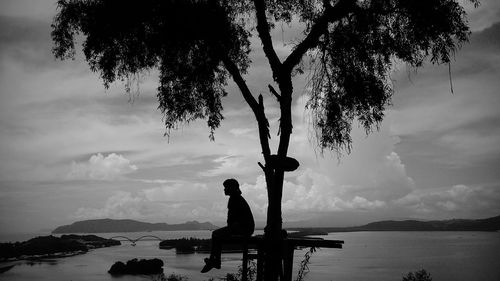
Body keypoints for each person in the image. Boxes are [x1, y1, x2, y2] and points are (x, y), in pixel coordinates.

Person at [201, 178, 255, 273]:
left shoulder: (235, 199)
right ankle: (215, 260)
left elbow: (232, 220)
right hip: (244, 228)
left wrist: (229, 231)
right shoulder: (236, 198)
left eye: (226, 187)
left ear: (232, 188)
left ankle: (215, 261)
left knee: (216, 234)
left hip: (243, 229)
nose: (224, 190)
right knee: (217, 234)